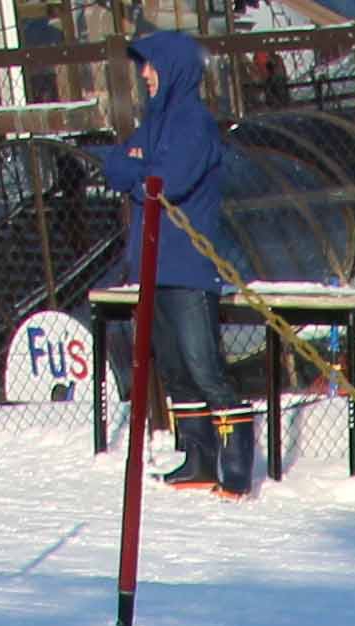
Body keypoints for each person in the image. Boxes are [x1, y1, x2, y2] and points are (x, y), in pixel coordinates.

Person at [104, 27, 245, 497]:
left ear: (172, 68)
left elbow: (168, 182)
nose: (144, 74)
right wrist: (137, 168)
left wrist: (139, 169)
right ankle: (198, 459)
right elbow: (114, 167)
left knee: (204, 366)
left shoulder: (193, 123)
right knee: (176, 369)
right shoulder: (154, 122)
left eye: (150, 65)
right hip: (152, 265)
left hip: (188, 266)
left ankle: (236, 465)